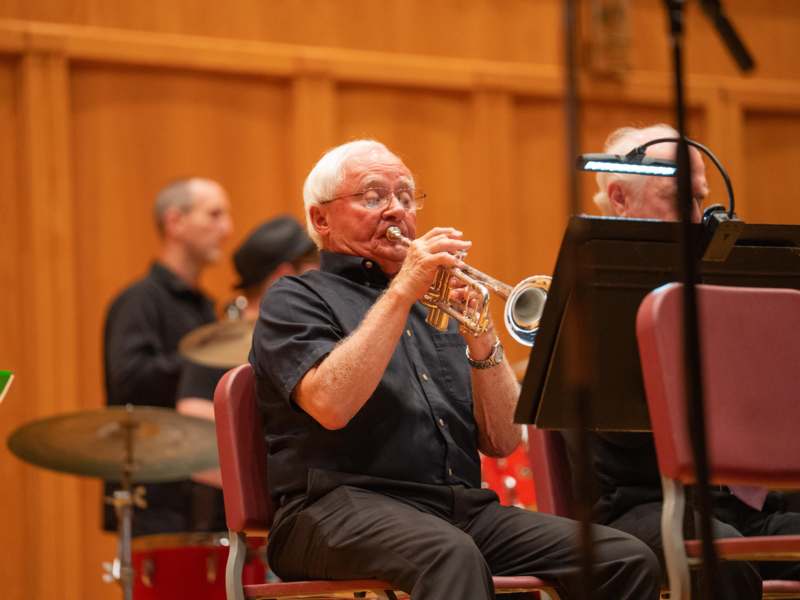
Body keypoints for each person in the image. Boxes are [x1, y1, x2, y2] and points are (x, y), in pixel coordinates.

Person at [249, 139, 661, 599]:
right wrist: (403, 291)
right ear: (321, 219)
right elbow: (329, 404)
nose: (395, 210)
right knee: (451, 554)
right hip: (330, 509)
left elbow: (503, 440)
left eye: (405, 197)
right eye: (372, 196)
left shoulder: (437, 308)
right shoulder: (296, 298)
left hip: (454, 509)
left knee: (623, 558)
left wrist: (481, 334)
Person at [587, 123, 800, 599]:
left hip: (735, 502)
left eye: (703, 199)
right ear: (620, 197)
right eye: (682, 200)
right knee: (724, 557)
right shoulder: (592, 294)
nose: (701, 218)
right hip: (637, 503)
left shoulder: (716, 280)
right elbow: (620, 430)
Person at [103, 177, 233, 535]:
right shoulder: (139, 301)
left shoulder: (205, 307)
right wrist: (201, 363)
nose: (227, 229)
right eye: (214, 215)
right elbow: (130, 378)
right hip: (157, 494)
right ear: (175, 222)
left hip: (202, 490)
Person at [175, 215, 318, 530]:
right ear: (283, 276)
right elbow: (191, 423)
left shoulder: (310, 332)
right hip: (242, 521)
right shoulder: (219, 344)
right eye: (314, 266)